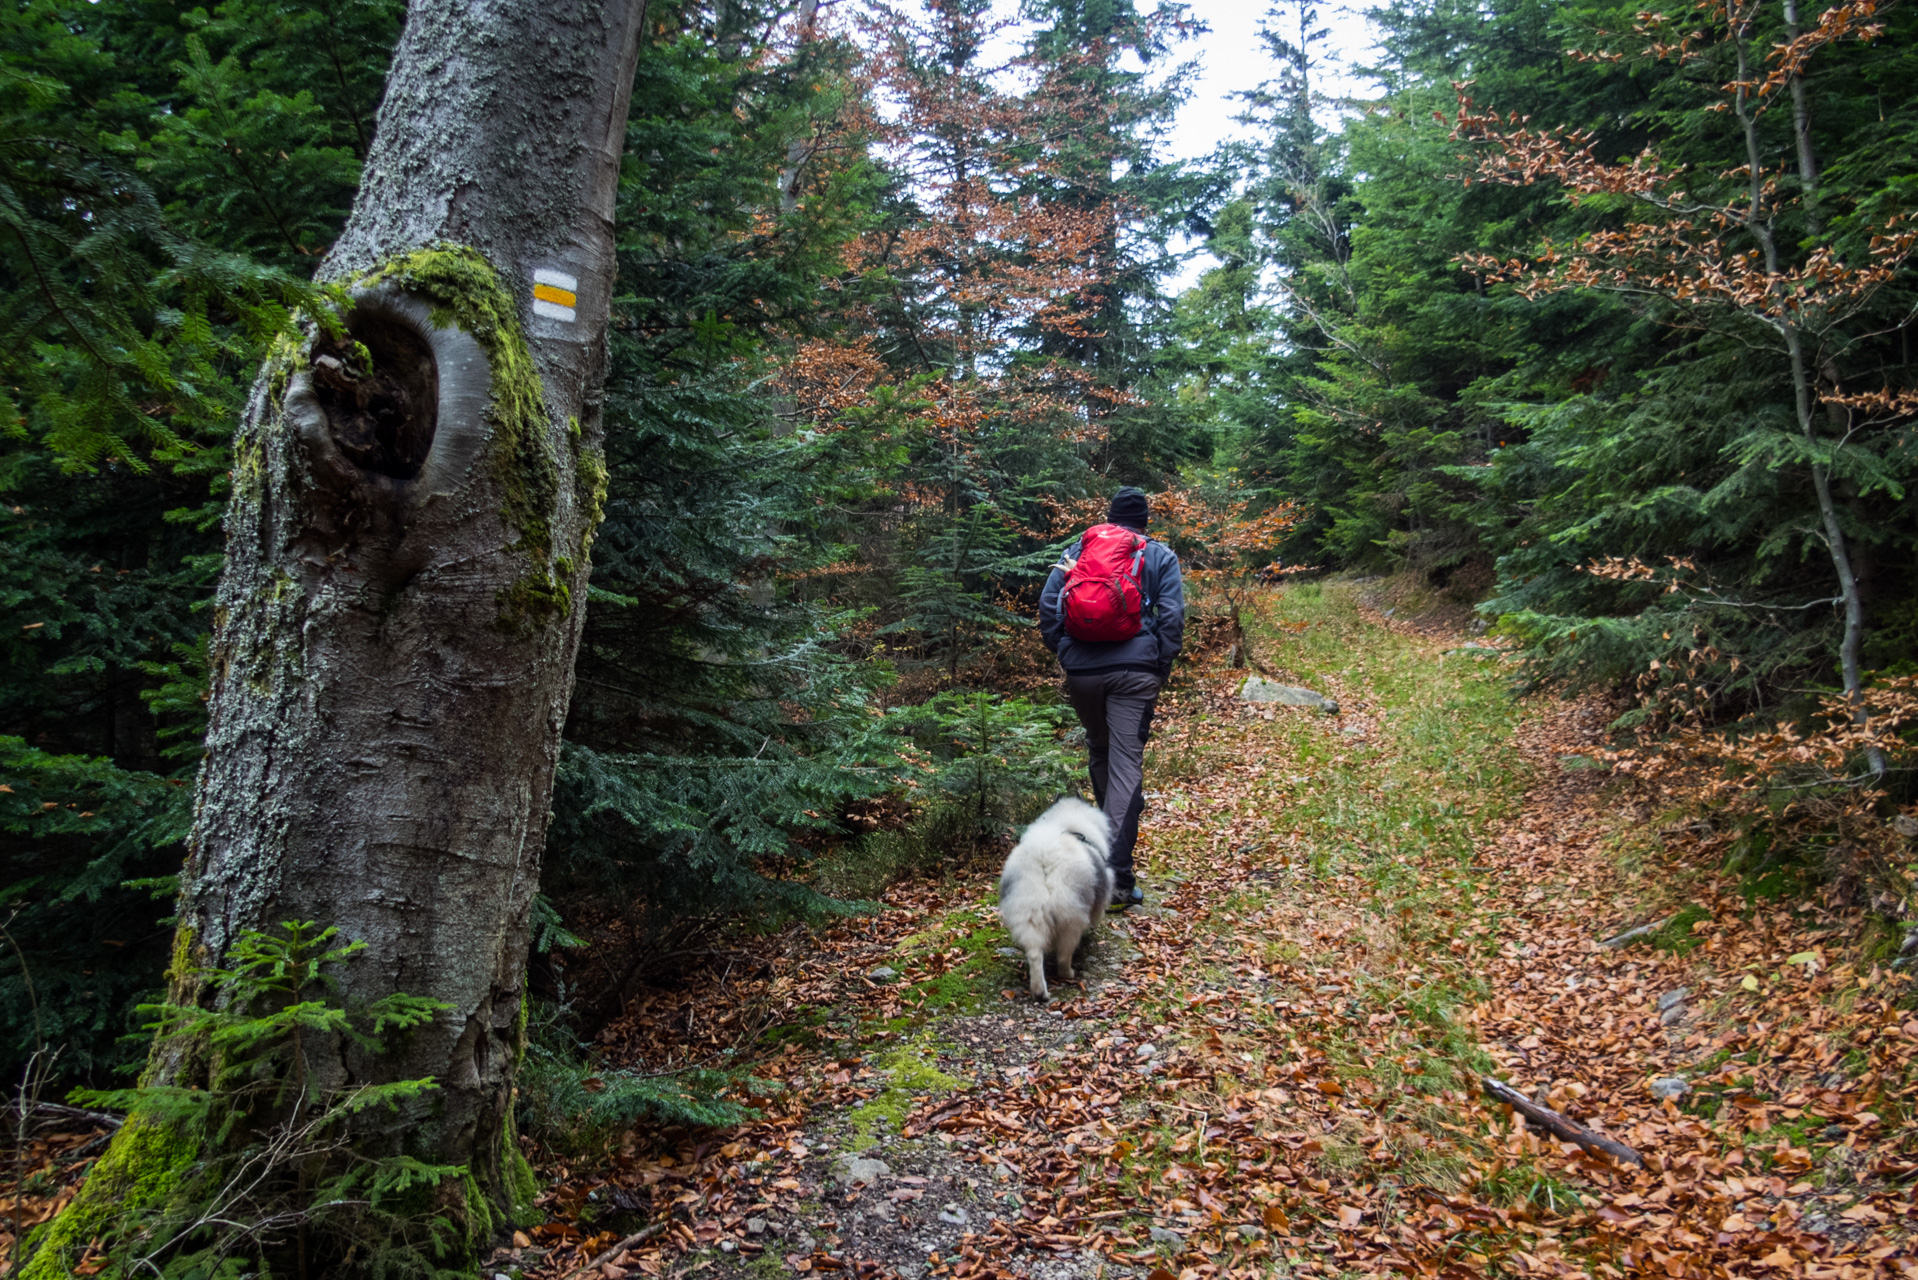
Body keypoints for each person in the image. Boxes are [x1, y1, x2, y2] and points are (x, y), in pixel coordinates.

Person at [1037, 487, 1184, 910]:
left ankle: (1110, 855)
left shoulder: (1079, 548)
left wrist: (1065, 650)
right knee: (1125, 766)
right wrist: (1160, 664)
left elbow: (1049, 604)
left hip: (1082, 670)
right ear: (1145, 520)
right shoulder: (1157, 555)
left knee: (1101, 753)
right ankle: (1116, 877)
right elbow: (1171, 617)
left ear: (1110, 515)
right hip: (1133, 672)